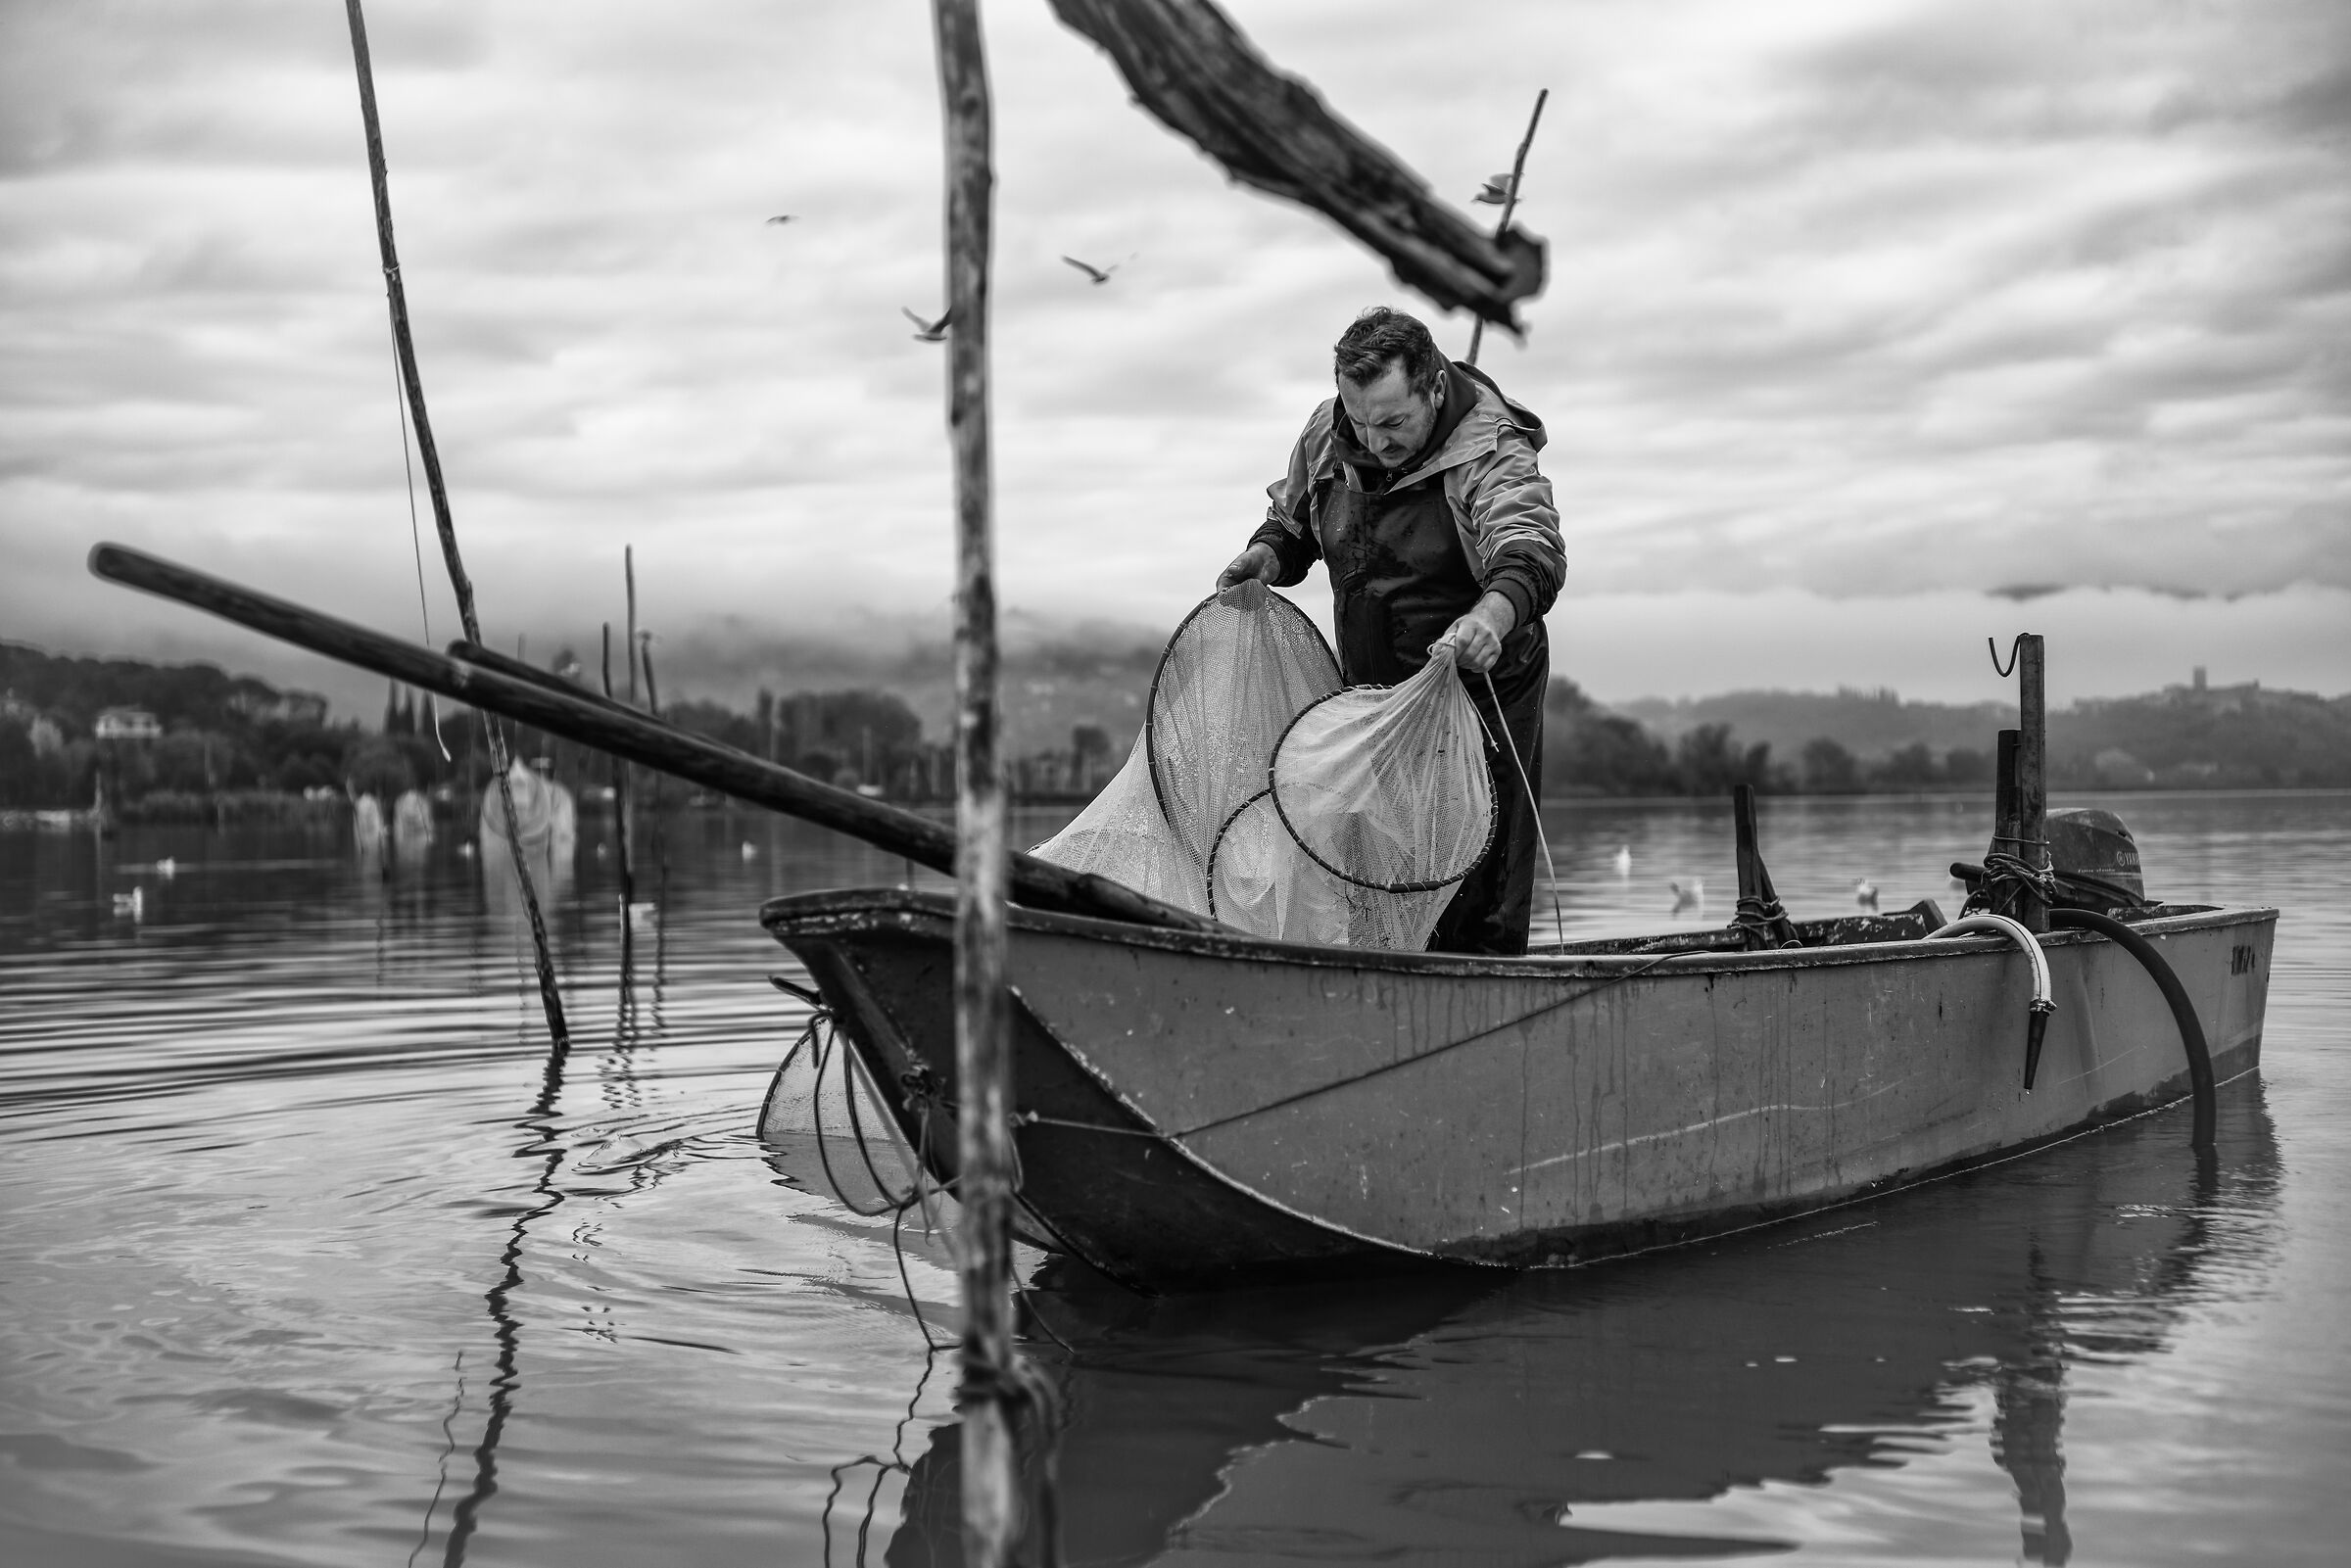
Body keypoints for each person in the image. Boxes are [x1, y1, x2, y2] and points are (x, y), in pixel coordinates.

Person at [1219, 306, 1563, 954]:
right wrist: (1266, 555)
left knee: (1474, 898)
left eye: (1395, 423)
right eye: (1363, 421)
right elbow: (1292, 522)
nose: (1376, 442)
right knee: (1373, 884)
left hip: (1479, 696)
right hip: (1373, 702)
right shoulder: (1327, 428)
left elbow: (1530, 549)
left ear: (1434, 387)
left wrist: (1491, 615)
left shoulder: (1489, 444)